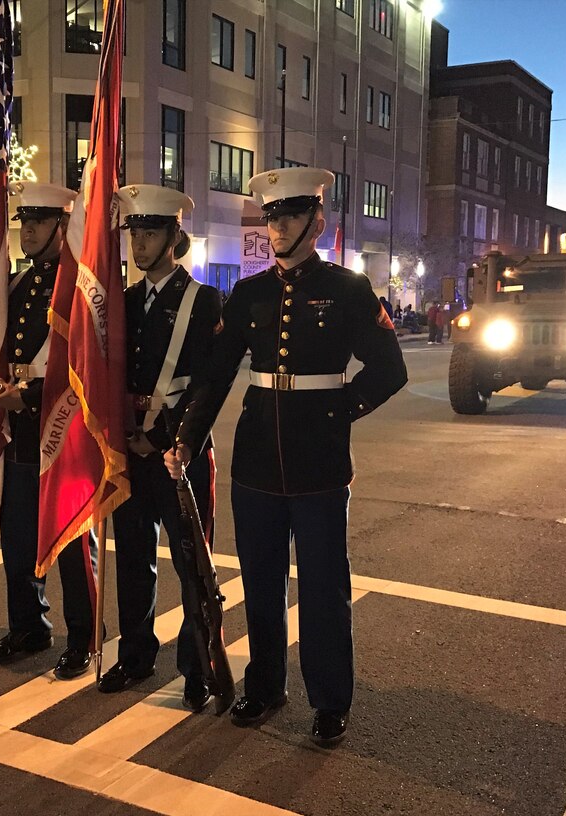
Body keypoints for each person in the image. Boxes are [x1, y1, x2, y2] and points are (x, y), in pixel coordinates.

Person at [165, 167, 407, 746]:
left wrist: (338, 410)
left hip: (319, 461)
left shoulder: (348, 289)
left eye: (290, 216)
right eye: (271, 217)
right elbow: (218, 376)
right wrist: (187, 439)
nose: (278, 227)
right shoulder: (249, 294)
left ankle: (329, 699)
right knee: (262, 581)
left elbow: (390, 369)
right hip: (255, 460)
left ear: (316, 223)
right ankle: (266, 684)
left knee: (324, 586)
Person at [96, 184, 224, 712]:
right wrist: (118, 433)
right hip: (130, 448)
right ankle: (135, 653)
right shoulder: (122, 302)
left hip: (178, 453)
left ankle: (196, 666)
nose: (139, 244)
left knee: (190, 561)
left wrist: (162, 434)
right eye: (134, 234)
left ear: (175, 236)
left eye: (150, 233)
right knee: (132, 557)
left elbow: (208, 383)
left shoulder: (204, 300)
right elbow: (109, 375)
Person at [0, 182, 101, 680]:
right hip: (20, 430)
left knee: (69, 535)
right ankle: (29, 625)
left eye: (37, 222)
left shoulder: (77, 285)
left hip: (62, 425)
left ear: (60, 227)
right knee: (21, 532)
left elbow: (82, 361)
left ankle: (84, 635)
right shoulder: (18, 284)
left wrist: (27, 398)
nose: (26, 230)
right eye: (23, 221)